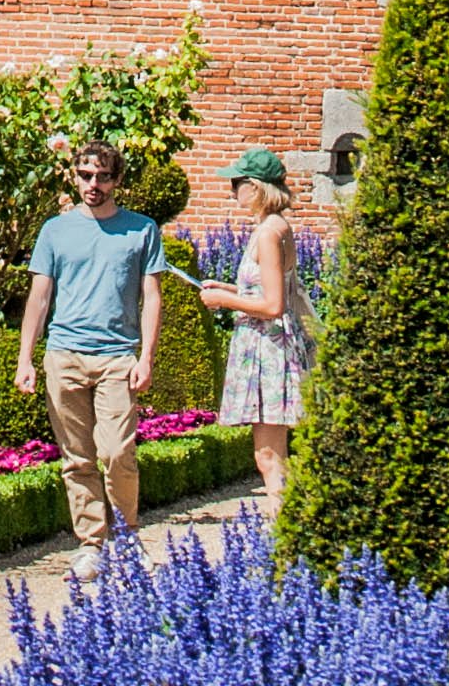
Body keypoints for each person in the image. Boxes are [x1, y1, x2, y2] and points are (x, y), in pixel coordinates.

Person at [16, 140, 167, 552]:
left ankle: (125, 534)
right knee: (77, 458)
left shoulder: (142, 230)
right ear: (74, 176)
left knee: (118, 452)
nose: (93, 184)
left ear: (117, 179)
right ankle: (91, 544)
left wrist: (147, 357)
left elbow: (151, 297)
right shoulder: (55, 229)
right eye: (85, 175)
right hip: (64, 354)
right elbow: (39, 297)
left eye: (102, 176)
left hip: (118, 357)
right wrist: (25, 359)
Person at [196, 148, 313, 511]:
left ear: (255, 187)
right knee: (273, 454)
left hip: (269, 351)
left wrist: (224, 302)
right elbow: (273, 290)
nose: (233, 193)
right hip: (273, 347)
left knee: (268, 457)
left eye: (237, 184)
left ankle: (286, 535)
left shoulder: (267, 232)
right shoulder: (278, 227)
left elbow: (273, 305)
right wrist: (230, 289)